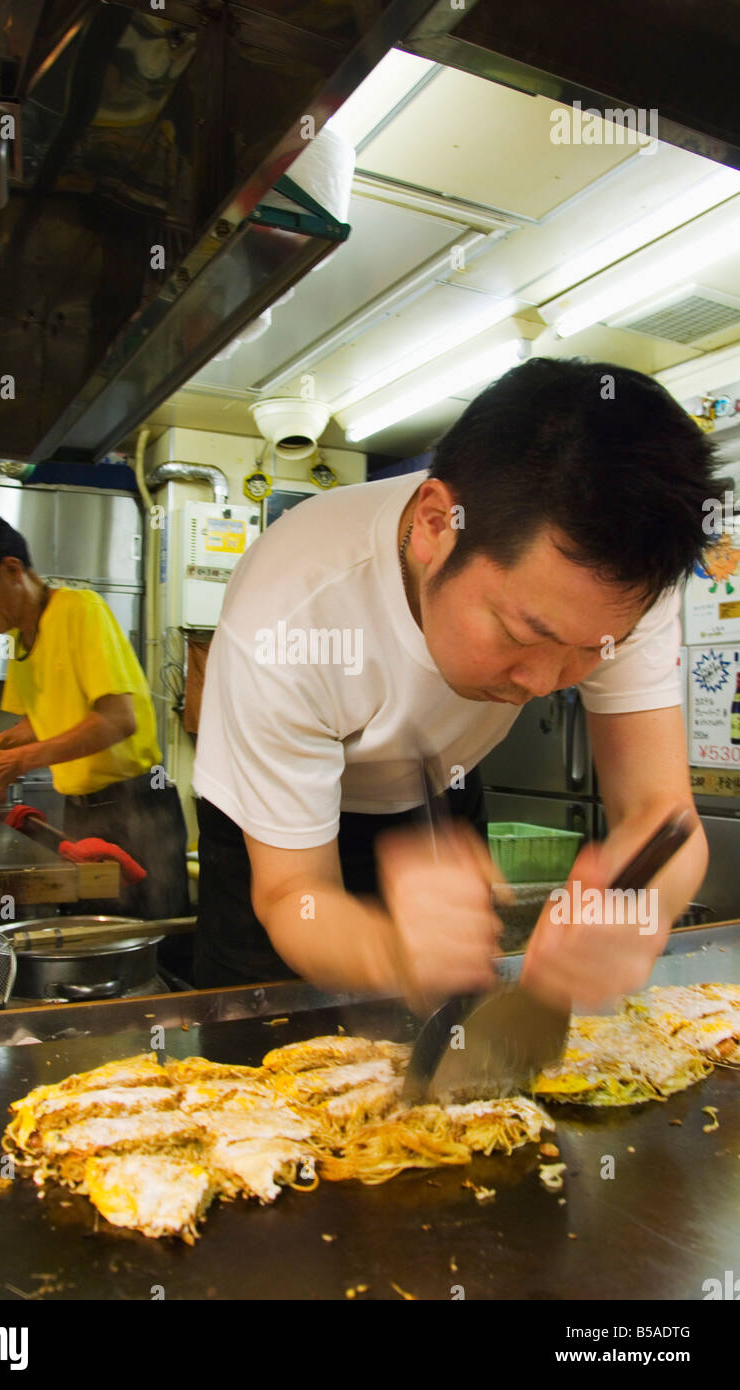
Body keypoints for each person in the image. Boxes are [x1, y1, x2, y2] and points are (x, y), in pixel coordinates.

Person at [193, 357, 718, 1012]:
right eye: (521, 635)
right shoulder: (287, 616)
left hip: (434, 787)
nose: (542, 684)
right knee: (261, 1040)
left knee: (457, 1030)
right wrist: (392, 952)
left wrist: (638, 906)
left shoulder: (620, 581)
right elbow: (289, 893)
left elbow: (660, 816)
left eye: (587, 653)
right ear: (437, 525)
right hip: (269, 840)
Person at [0, 513, 189, 922]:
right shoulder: (18, 639)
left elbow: (118, 720)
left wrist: (18, 761)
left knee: (152, 937)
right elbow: (41, 720)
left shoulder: (80, 610)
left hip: (135, 807)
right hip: (83, 812)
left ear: (11, 570)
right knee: (97, 934)